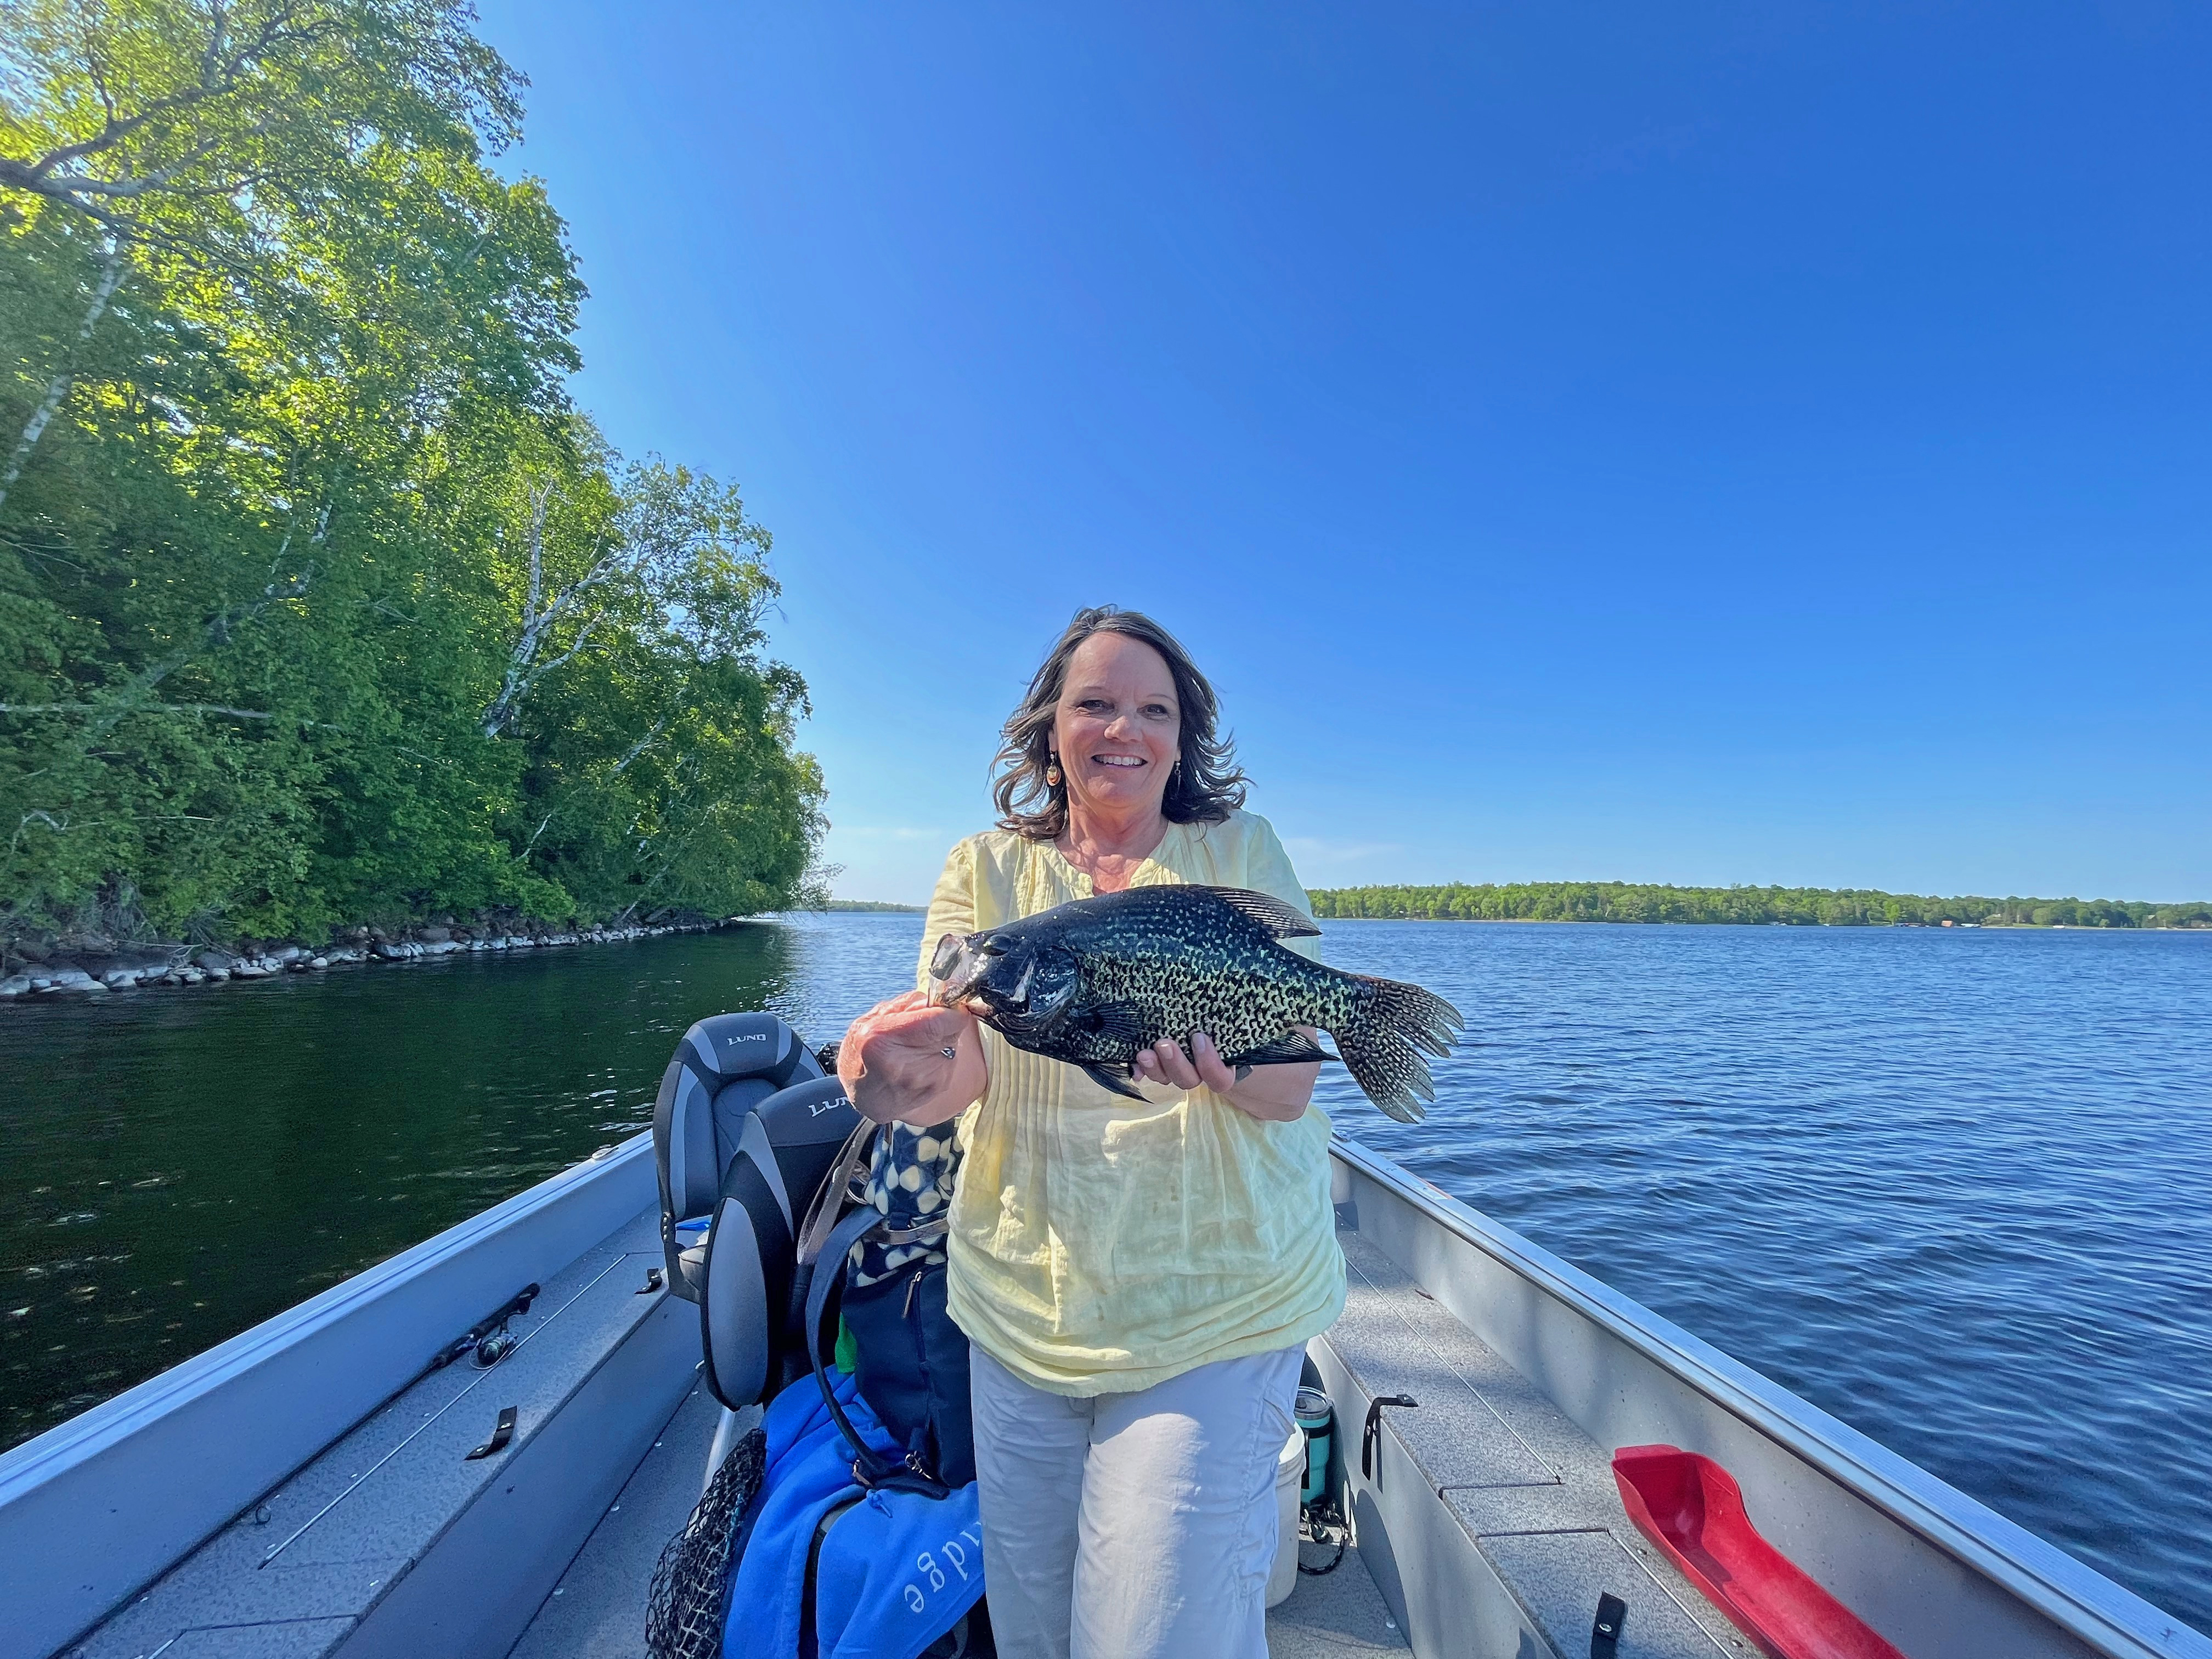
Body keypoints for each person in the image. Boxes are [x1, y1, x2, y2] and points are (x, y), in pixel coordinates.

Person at [836, 606, 1344, 1659]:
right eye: (1097, 703)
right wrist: (890, 1069)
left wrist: (1221, 1064)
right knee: (1034, 1631)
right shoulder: (985, 874)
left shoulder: (1239, 851)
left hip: (1219, 1302)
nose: (1126, 729)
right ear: (1049, 730)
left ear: (1182, 736)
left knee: (1158, 1638)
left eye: (1154, 709)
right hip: (1024, 1309)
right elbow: (957, 1074)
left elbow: (1292, 1083)